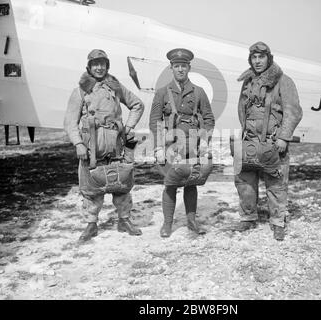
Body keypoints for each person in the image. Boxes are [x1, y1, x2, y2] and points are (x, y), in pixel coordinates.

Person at [64, 49, 145, 242]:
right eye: (95, 64)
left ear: (107, 66)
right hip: (92, 145)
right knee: (91, 186)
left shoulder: (115, 87)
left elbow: (137, 105)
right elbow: (70, 122)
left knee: (121, 181)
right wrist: (78, 143)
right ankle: (91, 224)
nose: (99, 67)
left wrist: (128, 127)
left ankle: (124, 220)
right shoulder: (80, 91)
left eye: (103, 64)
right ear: (89, 67)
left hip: (116, 142)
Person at [231, 41, 302, 240]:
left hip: (274, 143)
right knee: (244, 181)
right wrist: (247, 132)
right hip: (250, 141)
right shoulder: (248, 82)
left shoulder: (284, 81)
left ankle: (278, 222)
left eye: (261, 57)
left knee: (277, 184)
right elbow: (241, 108)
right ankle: (248, 217)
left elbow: (293, 111)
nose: (257, 61)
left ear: (268, 58)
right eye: (254, 57)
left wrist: (284, 137)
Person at [149, 48, 215, 238]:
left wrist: (204, 140)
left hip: (193, 146)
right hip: (171, 147)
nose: (180, 69)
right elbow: (154, 121)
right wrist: (158, 147)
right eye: (176, 66)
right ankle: (168, 224)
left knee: (191, 182)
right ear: (171, 68)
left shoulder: (199, 92)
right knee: (170, 184)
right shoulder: (162, 93)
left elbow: (209, 118)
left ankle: (191, 221)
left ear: (189, 68)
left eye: (183, 66)